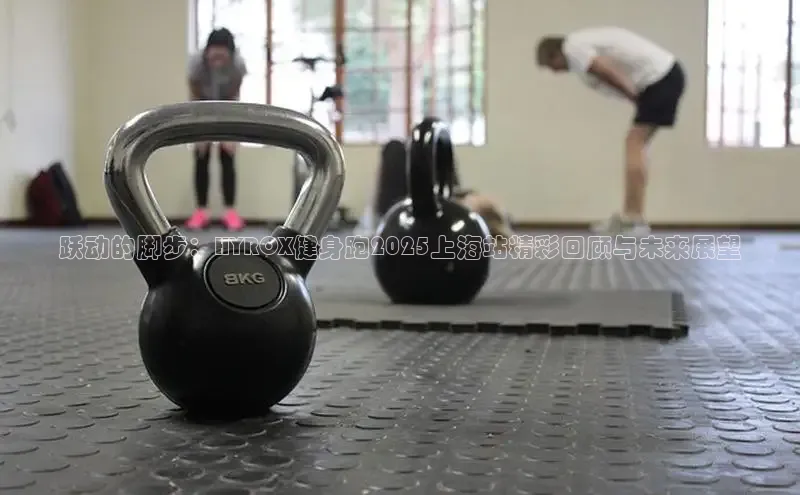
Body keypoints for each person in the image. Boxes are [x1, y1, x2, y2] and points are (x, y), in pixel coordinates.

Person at [535, 27, 686, 236]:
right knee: (636, 144)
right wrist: (634, 96)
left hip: (660, 78)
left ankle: (634, 219)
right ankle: (629, 216)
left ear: (555, 54)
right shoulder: (580, 47)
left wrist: (632, 94)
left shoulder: (572, 47)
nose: (554, 72)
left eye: (551, 66)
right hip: (662, 77)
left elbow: (604, 71)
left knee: (634, 143)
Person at [185, 28, 248, 231]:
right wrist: (199, 130)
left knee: (227, 155)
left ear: (231, 55)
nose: (218, 61)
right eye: (214, 56)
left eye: (223, 57)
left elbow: (234, 95)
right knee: (201, 155)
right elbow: (194, 95)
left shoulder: (238, 66)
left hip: (227, 105)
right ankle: (201, 212)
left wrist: (230, 133)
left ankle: (230, 212)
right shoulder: (196, 64)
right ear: (207, 52)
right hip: (201, 105)